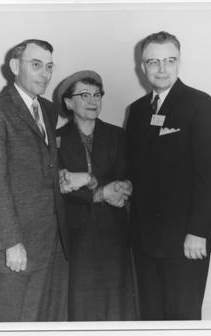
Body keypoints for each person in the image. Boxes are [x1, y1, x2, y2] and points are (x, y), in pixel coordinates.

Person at [0, 39, 68, 322]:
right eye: (36, 65)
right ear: (15, 67)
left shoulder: (47, 109)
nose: (45, 74)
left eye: (49, 67)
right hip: (16, 248)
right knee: (6, 321)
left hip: (49, 243)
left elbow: (39, 167)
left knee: (37, 320)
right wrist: (11, 242)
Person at [126, 31, 211, 320]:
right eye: (154, 62)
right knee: (152, 318)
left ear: (179, 63)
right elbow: (135, 170)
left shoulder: (200, 104)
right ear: (143, 67)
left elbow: (209, 175)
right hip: (145, 240)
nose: (162, 69)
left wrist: (198, 231)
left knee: (183, 317)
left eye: (169, 60)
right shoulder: (138, 110)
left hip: (185, 240)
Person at [55, 70, 138, 321]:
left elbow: (128, 174)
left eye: (97, 94)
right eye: (84, 95)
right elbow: (57, 189)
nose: (93, 101)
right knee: (81, 305)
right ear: (69, 103)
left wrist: (125, 187)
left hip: (114, 233)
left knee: (117, 303)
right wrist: (100, 194)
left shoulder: (117, 135)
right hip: (76, 236)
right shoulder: (56, 139)